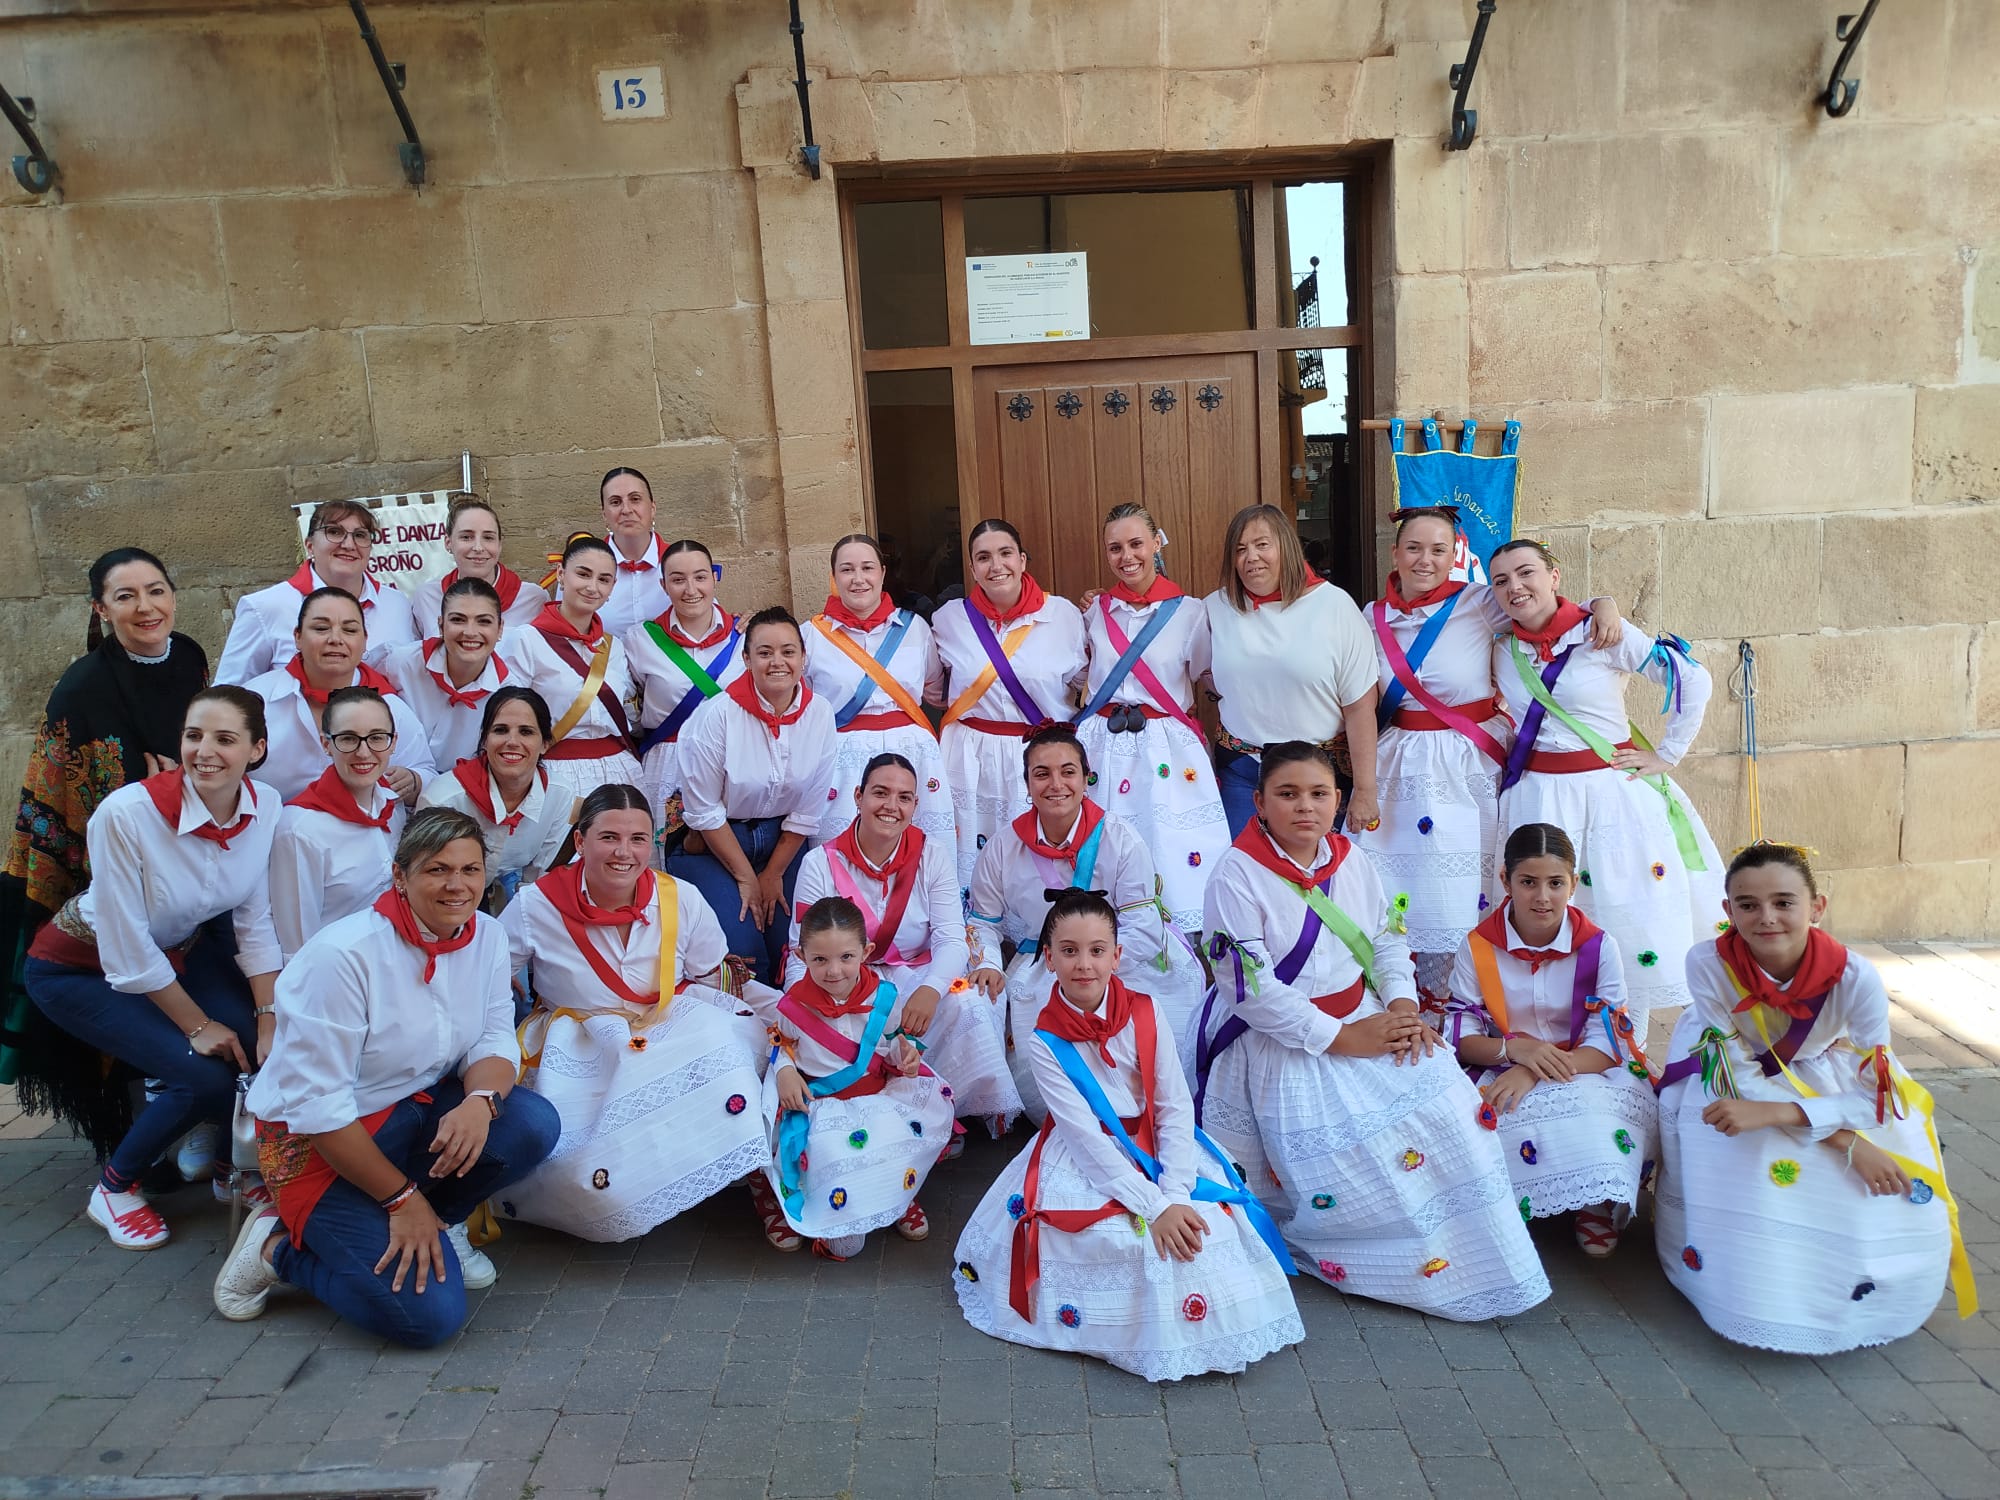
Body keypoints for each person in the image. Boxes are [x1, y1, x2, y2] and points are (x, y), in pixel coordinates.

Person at [1195, 742, 1550, 1319]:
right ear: (1259, 802)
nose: (1304, 807)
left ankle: (1472, 1247)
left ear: (1338, 800)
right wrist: (1342, 1039)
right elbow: (1250, 989)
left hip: (1366, 1014)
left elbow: (1385, 938)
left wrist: (1404, 1009)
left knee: (1449, 1099)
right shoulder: (1235, 874)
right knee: (1344, 1151)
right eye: (1287, 794)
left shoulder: (1352, 860)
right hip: (1279, 1036)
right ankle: (1390, 1253)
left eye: (1318, 794)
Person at [213, 809, 561, 1343]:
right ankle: (276, 1250)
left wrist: (479, 1102)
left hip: (410, 1109)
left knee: (529, 1122)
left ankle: (436, 1222)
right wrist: (402, 1200)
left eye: (470, 870)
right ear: (399, 875)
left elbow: (494, 1037)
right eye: (437, 869)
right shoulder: (342, 956)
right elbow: (320, 1111)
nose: (457, 885)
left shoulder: (487, 936)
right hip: (321, 1143)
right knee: (428, 1319)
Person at [951, 890, 1304, 1381]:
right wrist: (1152, 1206)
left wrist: (1174, 1193)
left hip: (1158, 1142)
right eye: (1069, 951)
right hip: (1087, 1156)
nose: (1084, 964)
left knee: (1207, 1223)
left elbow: (1173, 1106)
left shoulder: (1146, 1010)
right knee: (1119, 1236)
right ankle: (1135, 1331)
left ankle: (1208, 1327)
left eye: (1097, 950)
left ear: (1117, 956)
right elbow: (1085, 1140)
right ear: (1048, 958)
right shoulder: (1044, 1041)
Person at [1653, 843, 1972, 1355]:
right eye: (1748, 905)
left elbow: (1876, 1095)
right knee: (1752, 1153)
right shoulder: (1707, 963)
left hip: (1821, 1072)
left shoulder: (1855, 977)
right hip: (1731, 1075)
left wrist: (1785, 1114)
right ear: (1728, 910)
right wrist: (1846, 1142)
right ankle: (1750, 1290)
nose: (1766, 917)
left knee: (1861, 1183)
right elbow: (1735, 1071)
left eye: (1784, 902)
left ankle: (1853, 1291)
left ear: (1817, 907)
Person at [22, 687, 282, 1248]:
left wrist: (268, 1016)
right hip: (80, 968)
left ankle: (230, 1168)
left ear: (257, 749)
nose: (205, 751)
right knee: (202, 1075)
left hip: (172, 954)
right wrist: (197, 1025)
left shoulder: (266, 806)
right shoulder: (126, 814)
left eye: (225, 739)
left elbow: (255, 922)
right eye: (193, 736)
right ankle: (114, 1188)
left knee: (261, 1047)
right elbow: (127, 949)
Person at [1348, 509, 1620, 1000]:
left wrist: (1603, 604)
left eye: (1438, 550)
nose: (1425, 560)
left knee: (1468, 887)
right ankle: (1412, 997)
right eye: (1414, 548)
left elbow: (1544, 610)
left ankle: (1469, 1000)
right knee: (1403, 888)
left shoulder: (1477, 601)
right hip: (1399, 767)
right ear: (1395, 553)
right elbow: (1360, 699)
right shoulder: (1371, 618)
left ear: (1454, 554)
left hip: (1469, 766)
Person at [0, 548, 209, 1161]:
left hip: (188, 851)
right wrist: (154, 790)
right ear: (101, 609)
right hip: (102, 868)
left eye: (156, 590)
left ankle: (187, 1121)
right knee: (119, 1004)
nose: (146, 607)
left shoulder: (189, 655)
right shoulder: (82, 687)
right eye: (126, 596)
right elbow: (80, 798)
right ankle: (129, 1148)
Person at [500, 785, 770, 1243]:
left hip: (667, 1022)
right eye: (609, 837)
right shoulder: (535, 905)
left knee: (725, 1042)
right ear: (580, 841)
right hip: (581, 1041)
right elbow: (490, 975)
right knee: (585, 1179)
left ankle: (755, 1176)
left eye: (638, 839)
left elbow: (711, 975)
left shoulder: (680, 897)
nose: (624, 852)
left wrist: (784, 1013)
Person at [1487, 538, 1724, 1023]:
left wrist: (1667, 754)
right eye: (1501, 580)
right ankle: (1557, 1027)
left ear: (1554, 576)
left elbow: (1692, 680)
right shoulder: (1502, 646)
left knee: (1621, 909)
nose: (1515, 587)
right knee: (1547, 909)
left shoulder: (1601, 633)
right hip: (1538, 796)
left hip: (1610, 795)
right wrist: (1603, 600)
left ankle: (1628, 1039)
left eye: (1527, 572)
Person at [968, 726, 1209, 1119]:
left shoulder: (1120, 838)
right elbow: (982, 920)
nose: (1056, 784)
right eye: (1042, 774)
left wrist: (1095, 965)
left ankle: (1144, 1112)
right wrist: (990, 964)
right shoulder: (1003, 847)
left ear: (1085, 779)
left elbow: (1143, 925)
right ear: (1027, 784)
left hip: (1118, 959)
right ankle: (1065, 1119)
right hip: (1044, 963)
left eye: (1068, 772)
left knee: (1146, 1025)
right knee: (1031, 1028)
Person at [1444, 822, 1655, 1258]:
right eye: (1528, 882)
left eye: (1556, 883)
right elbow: (1462, 1035)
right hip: (1500, 1063)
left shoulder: (1598, 947)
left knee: (1596, 1106)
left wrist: (1533, 1068)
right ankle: (1512, 1201)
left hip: (1584, 1067)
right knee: (1470, 1113)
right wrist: (1513, 1051)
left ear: (1573, 884)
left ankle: (1594, 1200)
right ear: (1505, 880)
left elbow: (1608, 1042)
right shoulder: (1478, 946)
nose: (1542, 896)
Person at [787, 754, 1020, 1138]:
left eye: (904, 797)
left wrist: (931, 990)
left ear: (915, 805)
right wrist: (804, 1009)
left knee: (969, 1001)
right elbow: (802, 949)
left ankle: (948, 1112)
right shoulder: (820, 863)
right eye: (880, 793)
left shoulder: (932, 854)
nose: (891, 806)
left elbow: (951, 936)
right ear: (858, 796)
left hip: (915, 973)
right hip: (845, 981)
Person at [762, 896, 954, 1260]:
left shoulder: (885, 997)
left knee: (896, 1140)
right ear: (801, 956)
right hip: (826, 1107)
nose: (834, 971)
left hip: (878, 1097)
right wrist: (785, 1070)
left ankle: (901, 1196)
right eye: (820, 959)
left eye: (846, 957)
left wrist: (906, 1054)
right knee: (846, 1243)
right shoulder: (793, 1006)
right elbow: (781, 1043)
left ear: (866, 952)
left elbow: (894, 1040)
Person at [1074, 504, 1227, 935]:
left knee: (1170, 845)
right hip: (1102, 744)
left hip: (1166, 746)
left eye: (1136, 544)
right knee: (1101, 842)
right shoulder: (1095, 611)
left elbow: (1208, 674)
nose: (1127, 557)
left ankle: (1175, 944)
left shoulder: (1190, 612)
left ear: (1157, 543)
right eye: (1115, 548)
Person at [670, 608, 837, 985]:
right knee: (744, 950)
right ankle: (749, 1021)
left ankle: (796, 1019)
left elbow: (808, 808)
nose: (777, 662)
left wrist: (773, 874)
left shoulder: (820, 714)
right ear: (746, 659)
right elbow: (704, 811)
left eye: (788, 652)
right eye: (764, 652)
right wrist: (748, 879)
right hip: (716, 843)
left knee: (795, 944)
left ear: (803, 657)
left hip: (782, 842)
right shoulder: (717, 716)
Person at [1203, 505, 1379, 838]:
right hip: (1243, 773)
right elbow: (1179, 658)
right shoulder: (1215, 608)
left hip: (1318, 778)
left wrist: (1366, 790)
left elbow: (1359, 707)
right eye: (1240, 549)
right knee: (1246, 867)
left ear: (1286, 546)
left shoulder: (1335, 606)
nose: (1252, 557)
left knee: (1318, 869)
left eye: (1262, 545)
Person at [928, 520, 1087, 891]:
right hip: (969, 756)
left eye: (1005, 554)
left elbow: (1085, 684)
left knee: (1036, 859)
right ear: (972, 568)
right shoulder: (949, 619)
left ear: (1022, 560)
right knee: (972, 857)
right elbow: (934, 689)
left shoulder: (1062, 615)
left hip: (1037, 755)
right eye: (984, 557)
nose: (996, 565)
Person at [803, 534, 953, 849]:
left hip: (913, 755)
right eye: (847, 569)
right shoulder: (810, 636)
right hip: (842, 762)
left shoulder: (915, 629)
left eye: (867, 568)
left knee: (921, 853)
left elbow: (936, 692)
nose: (858, 578)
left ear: (882, 573)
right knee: (842, 854)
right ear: (834, 577)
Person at [241, 587, 435, 802]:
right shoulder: (255, 700)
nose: (335, 639)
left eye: (349, 630)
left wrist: (413, 780)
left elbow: (426, 772)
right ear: (298, 637)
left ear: (364, 640)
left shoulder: (390, 706)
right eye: (321, 628)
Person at [270, 688, 409, 963]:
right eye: (348, 739)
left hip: (394, 956)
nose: (363, 752)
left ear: (393, 742)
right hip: (338, 969)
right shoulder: (300, 830)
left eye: (377, 737)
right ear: (326, 744)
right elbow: (298, 946)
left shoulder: (393, 804)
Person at [214, 500, 418, 685]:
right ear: (310, 545)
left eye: (360, 535)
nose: (349, 545)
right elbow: (229, 693)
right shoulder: (265, 607)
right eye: (334, 532)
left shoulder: (397, 604)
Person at [508, 534, 643, 811]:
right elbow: (510, 715)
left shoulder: (614, 647)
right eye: (583, 574)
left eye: (604, 579)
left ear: (612, 587)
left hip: (619, 770)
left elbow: (630, 713)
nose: (592, 587)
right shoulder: (526, 640)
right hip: (556, 773)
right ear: (561, 574)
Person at [624, 539, 744, 845]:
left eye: (700, 577)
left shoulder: (744, 636)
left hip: (732, 758)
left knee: (734, 849)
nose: (691, 589)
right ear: (663, 585)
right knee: (668, 851)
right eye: (678, 580)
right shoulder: (640, 640)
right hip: (669, 764)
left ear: (714, 578)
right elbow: (631, 705)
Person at [418, 687, 571, 908]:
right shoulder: (444, 800)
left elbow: (537, 880)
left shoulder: (559, 795)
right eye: (500, 730)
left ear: (545, 744)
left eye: (526, 732)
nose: (512, 741)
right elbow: (425, 880)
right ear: (484, 740)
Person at [379, 577, 514, 770]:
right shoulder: (399, 663)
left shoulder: (507, 694)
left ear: (500, 629)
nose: (470, 632)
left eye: (484, 621)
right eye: (458, 620)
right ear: (441, 625)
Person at [406, 497, 550, 630]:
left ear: (500, 544)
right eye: (466, 537)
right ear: (448, 542)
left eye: (488, 537)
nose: (478, 547)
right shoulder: (427, 598)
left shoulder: (534, 599)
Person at [592, 467, 673, 639]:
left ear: (652, 508)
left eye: (635, 499)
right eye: (615, 502)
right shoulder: (582, 568)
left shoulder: (680, 563)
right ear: (604, 514)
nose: (626, 510)